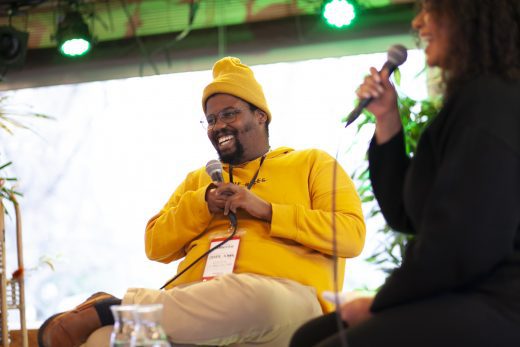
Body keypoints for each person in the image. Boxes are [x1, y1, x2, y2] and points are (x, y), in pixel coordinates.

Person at [38, 57, 366, 347]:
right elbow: (155, 245)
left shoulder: (311, 163)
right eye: (210, 119)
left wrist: (265, 210)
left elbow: (351, 236)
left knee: (252, 297)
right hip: (201, 308)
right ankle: (120, 315)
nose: (218, 125)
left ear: (261, 116)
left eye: (229, 114)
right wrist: (202, 204)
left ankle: (111, 307)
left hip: (286, 306)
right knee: (101, 340)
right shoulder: (199, 181)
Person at [290, 0, 520, 346]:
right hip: (469, 292)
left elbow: (460, 245)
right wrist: (386, 118)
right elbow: (407, 214)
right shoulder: (471, 102)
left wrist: (381, 304)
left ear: (469, 16)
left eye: (430, 10)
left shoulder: (490, 102)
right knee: (311, 335)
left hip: (501, 302)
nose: (418, 22)